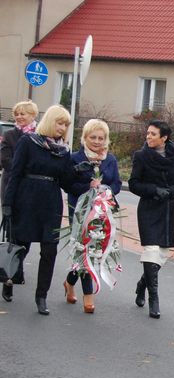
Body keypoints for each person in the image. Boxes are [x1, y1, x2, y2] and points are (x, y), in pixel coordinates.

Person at [1, 105, 75, 315]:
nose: (62, 128)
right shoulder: (28, 142)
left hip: (51, 203)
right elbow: (15, 174)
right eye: (60, 123)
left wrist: (88, 179)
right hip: (26, 199)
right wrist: (7, 204)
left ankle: (41, 296)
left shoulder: (63, 151)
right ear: (51, 121)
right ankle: (8, 279)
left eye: (66, 125)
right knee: (20, 246)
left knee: (49, 251)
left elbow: (68, 182)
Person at [63, 119, 122, 313]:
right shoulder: (75, 158)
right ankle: (88, 295)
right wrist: (87, 187)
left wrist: (106, 191)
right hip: (79, 210)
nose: (97, 141)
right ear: (85, 137)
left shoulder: (110, 160)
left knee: (93, 249)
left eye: (101, 138)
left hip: (102, 211)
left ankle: (69, 281)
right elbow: (67, 184)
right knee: (83, 248)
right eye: (93, 137)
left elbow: (117, 184)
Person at [128, 120, 174, 319]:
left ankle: (142, 284)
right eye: (148, 133)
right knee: (151, 250)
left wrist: (169, 191)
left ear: (164, 137)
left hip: (168, 208)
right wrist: (154, 190)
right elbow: (133, 184)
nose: (148, 136)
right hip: (149, 208)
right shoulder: (141, 156)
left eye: (153, 134)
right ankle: (154, 298)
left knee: (162, 253)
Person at [1, 100, 39, 204]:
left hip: (33, 185)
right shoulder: (9, 135)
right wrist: (25, 170)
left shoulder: (40, 134)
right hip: (12, 183)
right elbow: (5, 160)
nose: (19, 117)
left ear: (33, 115)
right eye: (16, 114)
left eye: (22, 114)